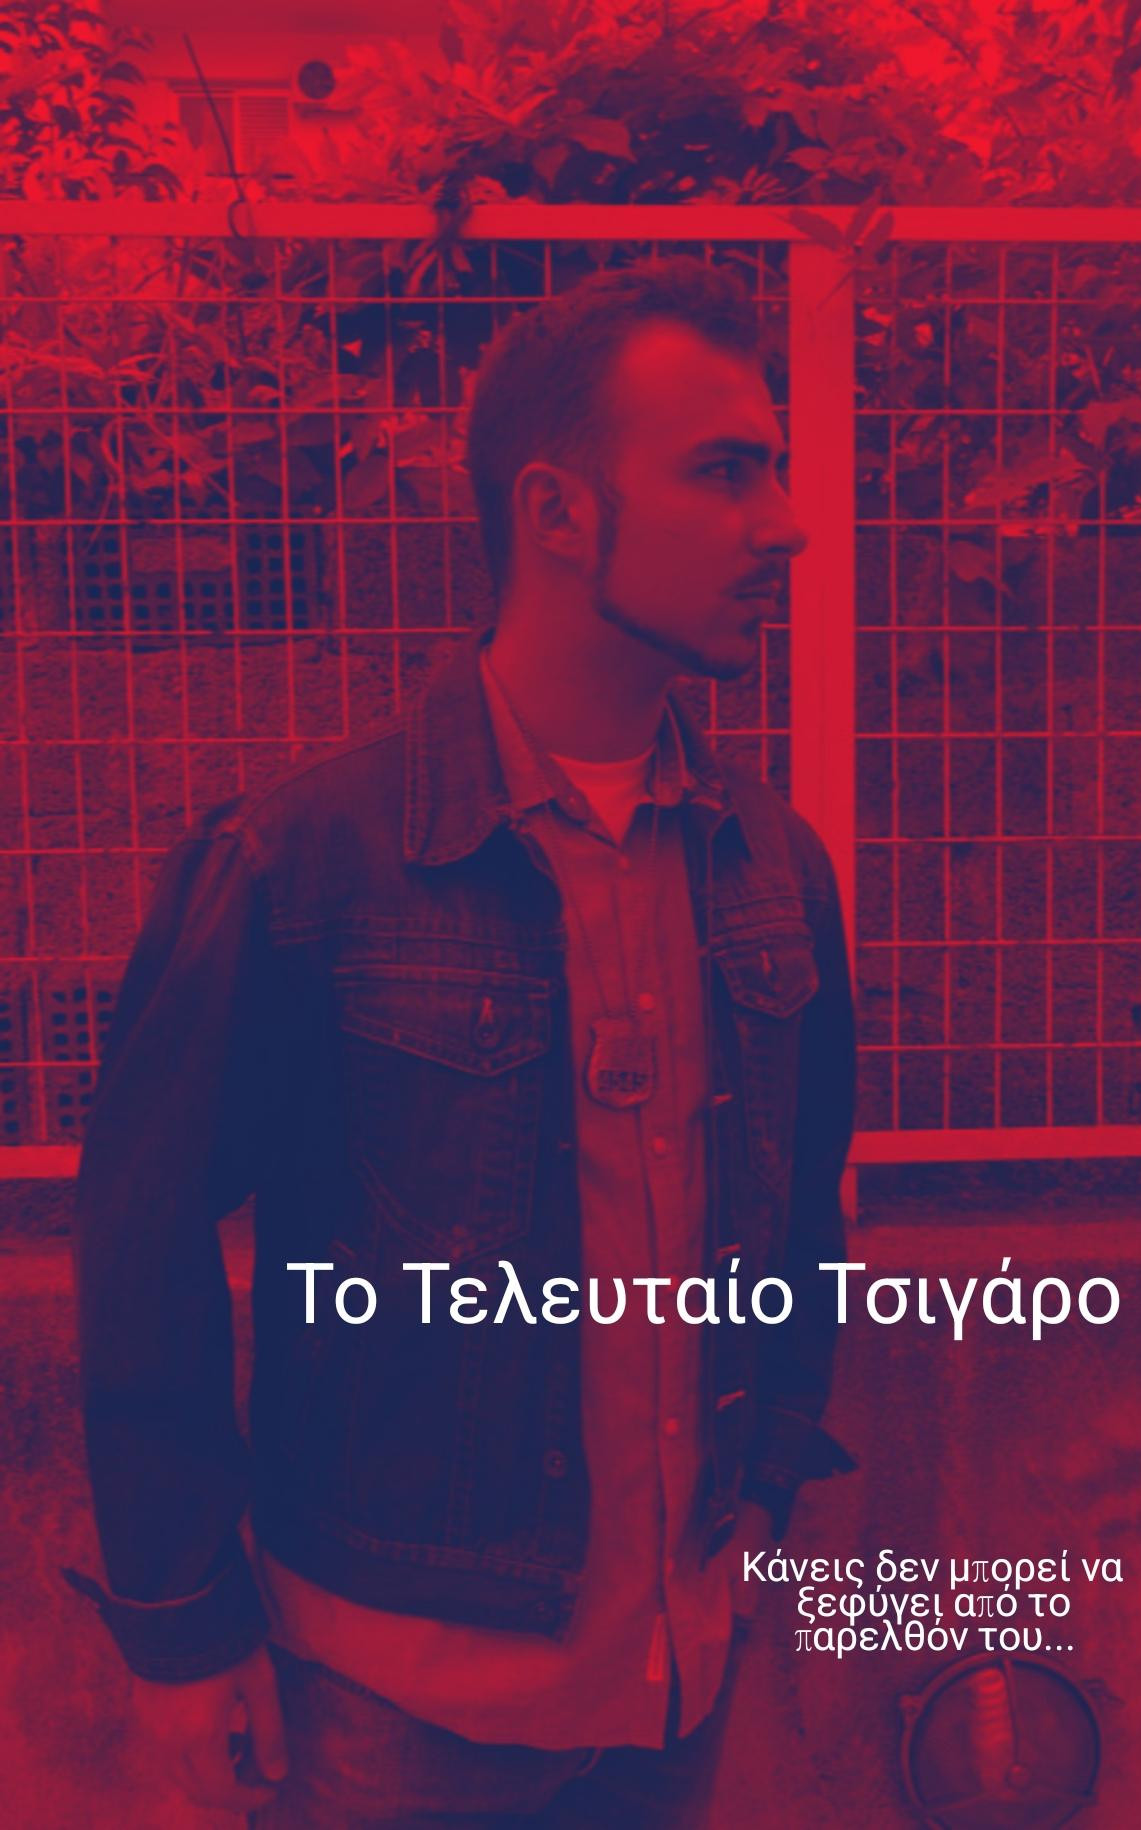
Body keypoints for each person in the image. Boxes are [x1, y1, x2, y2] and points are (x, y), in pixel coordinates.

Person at [70, 256, 856, 1826]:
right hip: (395, 1704)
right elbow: (139, 1241)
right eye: (725, 470)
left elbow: (797, 1216)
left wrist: (767, 1473)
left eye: (773, 467)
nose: (785, 523)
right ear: (557, 512)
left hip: (676, 1671)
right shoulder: (302, 862)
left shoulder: (772, 865)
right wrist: (181, 1631)